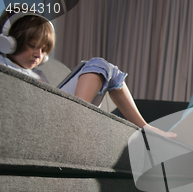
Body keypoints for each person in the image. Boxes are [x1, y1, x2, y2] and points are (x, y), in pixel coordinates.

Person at [0, 9, 174, 137]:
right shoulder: (4, 68)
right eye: (32, 45)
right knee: (98, 65)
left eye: (44, 49)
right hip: (48, 121)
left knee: (105, 69)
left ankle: (145, 127)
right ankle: (78, 121)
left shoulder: (38, 75)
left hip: (59, 114)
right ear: (9, 42)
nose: (39, 55)